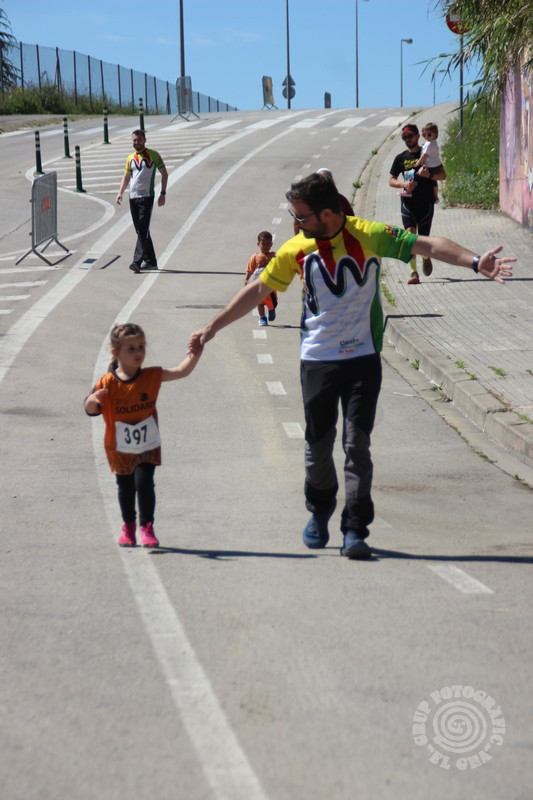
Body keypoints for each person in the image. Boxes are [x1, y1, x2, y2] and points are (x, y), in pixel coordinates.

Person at [188, 171, 514, 560]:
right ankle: (320, 508)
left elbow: (426, 245)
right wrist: (212, 327)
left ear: (326, 213)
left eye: (302, 217)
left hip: (362, 359)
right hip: (317, 362)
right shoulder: (296, 250)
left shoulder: (368, 235)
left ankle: (355, 528)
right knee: (317, 448)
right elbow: (259, 289)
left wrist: (475, 261)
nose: (297, 224)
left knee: (357, 445)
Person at [85, 323, 201, 549]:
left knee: (145, 483)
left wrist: (195, 354)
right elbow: (90, 409)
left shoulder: (152, 376)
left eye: (141, 346)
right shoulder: (107, 383)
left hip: (147, 445)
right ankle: (128, 526)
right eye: (131, 348)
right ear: (116, 352)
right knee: (126, 488)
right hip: (120, 448)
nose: (138, 352)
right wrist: (92, 400)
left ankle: (147, 527)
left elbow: (181, 371)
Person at [388, 123, 446, 285]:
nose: (407, 140)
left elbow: (443, 175)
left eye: (410, 136)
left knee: (423, 240)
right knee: (410, 237)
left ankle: (426, 257)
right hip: (408, 203)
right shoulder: (400, 158)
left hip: (426, 203)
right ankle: (413, 273)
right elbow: (390, 180)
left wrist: (429, 176)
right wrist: (403, 185)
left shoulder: (428, 152)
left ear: (418, 136)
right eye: (404, 138)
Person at [116, 130, 168, 274]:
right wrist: (120, 193)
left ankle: (136, 262)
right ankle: (151, 261)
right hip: (133, 197)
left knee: (143, 230)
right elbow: (126, 177)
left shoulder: (153, 155)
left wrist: (163, 193)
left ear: (144, 140)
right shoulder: (130, 158)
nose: (136, 142)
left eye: (139, 139)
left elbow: (164, 174)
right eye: (134, 140)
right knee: (140, 231)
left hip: (147, 197)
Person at [244, 230, 278, 325]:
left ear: (271, 244)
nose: (265, 246)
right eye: (263, 244)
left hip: (271, 285)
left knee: (271, 300)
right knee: (259, 302)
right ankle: (262, 318)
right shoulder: (255, 257)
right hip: (258, 284)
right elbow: (250, 269)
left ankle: (271, 310)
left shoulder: (274, 256)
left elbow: (280, 267)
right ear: (258, 244)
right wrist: (246, 279)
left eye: (268, 244)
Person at [410, 123, 442, 203]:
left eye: (429, 134)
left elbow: (425, 155)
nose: (426, 137)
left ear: (435, 134)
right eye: (424, 135)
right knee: (433, 181)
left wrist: (417, 164)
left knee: (417, 175)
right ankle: (435, 197)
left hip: (431, 166)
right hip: (434, 165)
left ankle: (409, 190)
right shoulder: (431, 142)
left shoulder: (431, 144)